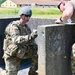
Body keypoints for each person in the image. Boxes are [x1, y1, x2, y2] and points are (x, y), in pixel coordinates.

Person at [0, 6, 38, 75]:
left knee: (35, 53)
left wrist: (33, 43)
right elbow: (16, 40)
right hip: (12, 54)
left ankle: (32, 72)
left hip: (21, 51)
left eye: (29, 16)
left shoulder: (26, 27)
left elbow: (30, 40)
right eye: (26, 16)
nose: (28, 18)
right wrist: (30, 36)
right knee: (11, 73)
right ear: (21, 15)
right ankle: (2, 72)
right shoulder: (14, 26)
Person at [55, 0, 75, 74]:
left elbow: (67, 13)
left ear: (63, 3)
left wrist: (61, 19)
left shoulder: (69, 4)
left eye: (60, 8)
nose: (61, 11)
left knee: (74, 51)